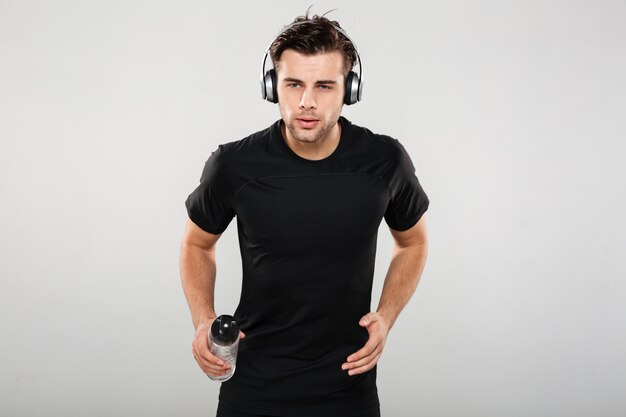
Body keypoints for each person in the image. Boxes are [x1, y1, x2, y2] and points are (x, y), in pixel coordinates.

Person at [180, 11, 429, 417]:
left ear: (350, 89)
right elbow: (196, 243)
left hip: (348, 387)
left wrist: (386, 317)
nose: (306, 101)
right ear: (271, 86)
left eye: (324, 86)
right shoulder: (234, 165)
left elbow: (413, 241)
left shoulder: (384, 162)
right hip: (254, 385)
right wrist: (202, 320)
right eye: (293, 84)